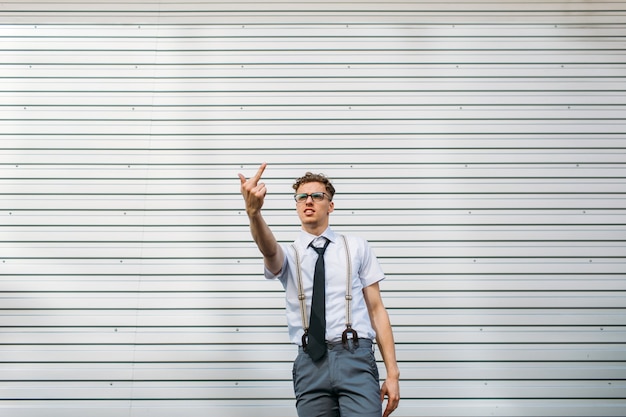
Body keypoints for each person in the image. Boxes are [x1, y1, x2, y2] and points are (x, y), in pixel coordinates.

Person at [238, 162, 400, 417]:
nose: (308, 201)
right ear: (296, 205)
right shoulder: (288, 253)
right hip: (310, 363)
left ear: (331, 205)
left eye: (317, 195)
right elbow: (268, 249)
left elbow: (377, 309)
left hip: (355, 358)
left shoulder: (357, 247)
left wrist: (393, 373)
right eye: (301, 197)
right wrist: (254, 214)